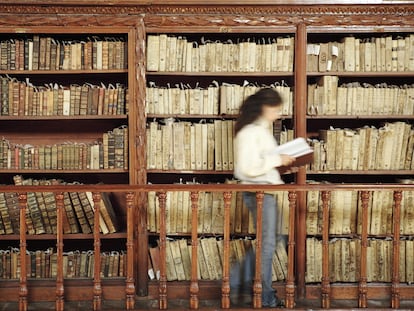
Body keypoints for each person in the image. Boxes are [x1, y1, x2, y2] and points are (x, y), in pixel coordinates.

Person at [231, 88, 295, 308]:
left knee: (270, 242)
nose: (278, 114)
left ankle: (238, 283)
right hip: (258, 192)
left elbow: (262, 164)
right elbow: (247, 168)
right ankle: (259, 293)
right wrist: (277, 160)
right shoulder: (250, 132)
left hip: (266, 191)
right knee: (268, 244)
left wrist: (283, 163)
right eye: (275, 109)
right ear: (264, 107)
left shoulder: (260, 130)